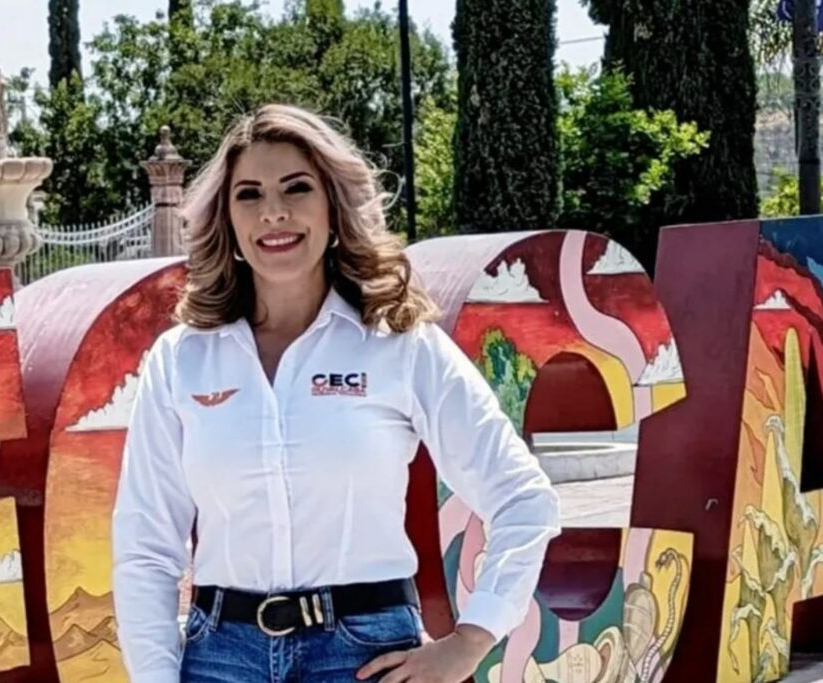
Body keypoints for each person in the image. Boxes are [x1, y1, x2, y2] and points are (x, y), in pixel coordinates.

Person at [112, 103, 561, 683]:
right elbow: (146, 545)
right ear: (226, 219)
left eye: (296, 188)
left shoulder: (399, 345)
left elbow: (523, 498)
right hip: (219, 658)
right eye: (249, 194)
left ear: (333, 206)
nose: (273, 212)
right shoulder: (181, 361)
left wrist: (472, 640)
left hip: (364, 655)